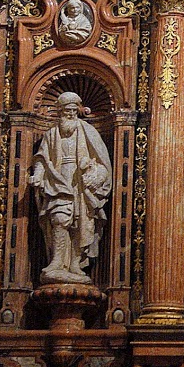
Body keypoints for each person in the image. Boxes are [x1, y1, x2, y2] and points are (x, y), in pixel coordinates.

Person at [29, 92, 112, 284]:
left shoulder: (88, 131)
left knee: (82, 223)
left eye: (74, 110)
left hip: (81, 185)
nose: (71, 114)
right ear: (60, 111)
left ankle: (76, 263)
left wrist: (93, 172)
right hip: (57, 181)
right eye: (67, 110)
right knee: (59, 218)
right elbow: (42, 158)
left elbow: (102, 161)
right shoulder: (51, 134)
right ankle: (57, 261)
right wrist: (38, 175)